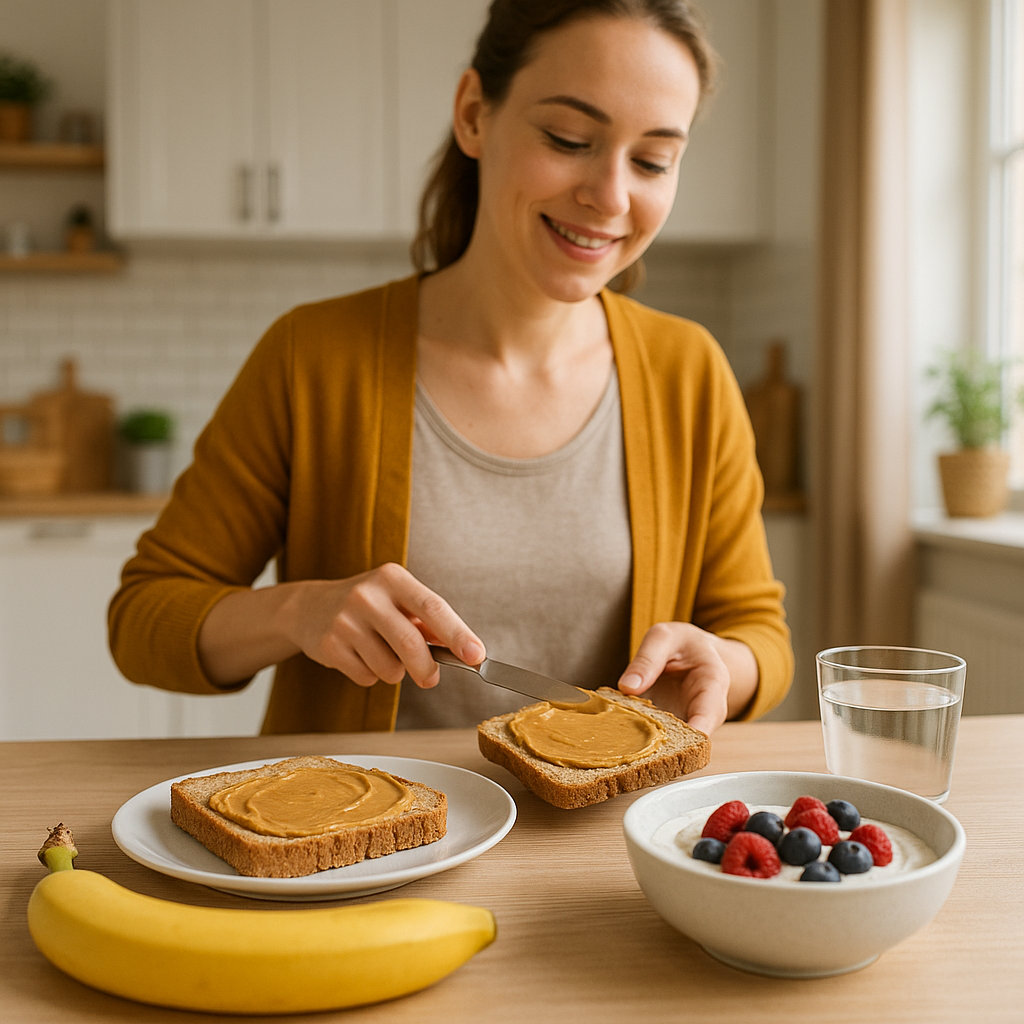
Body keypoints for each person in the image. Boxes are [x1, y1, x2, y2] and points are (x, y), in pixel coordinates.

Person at [108, 0, 793, 739]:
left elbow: (758, 633)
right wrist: (296, 610)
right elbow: (144, 620)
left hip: (598, 846)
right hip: (360, 844)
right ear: (474, 114)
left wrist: (725, 663)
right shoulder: (313, 357)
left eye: (654, 160)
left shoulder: (688, 371)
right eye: (569, 138)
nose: (612, 196)